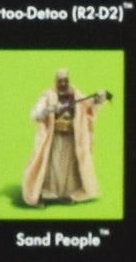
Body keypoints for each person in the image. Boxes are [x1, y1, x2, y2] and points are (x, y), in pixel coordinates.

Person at [21, 69, 113, 208]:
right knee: (50, 166)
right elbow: (35, 114)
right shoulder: (48, 95)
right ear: (56, 81)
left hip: (71, 138)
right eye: (60, 81)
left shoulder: (76, 94)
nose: (63, 83)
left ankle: (65, 194)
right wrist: (46, 111)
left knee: (68, 168)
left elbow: (88, 105)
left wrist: (99, 98)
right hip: (54, 138)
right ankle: (42, 194)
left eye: (65, 80)